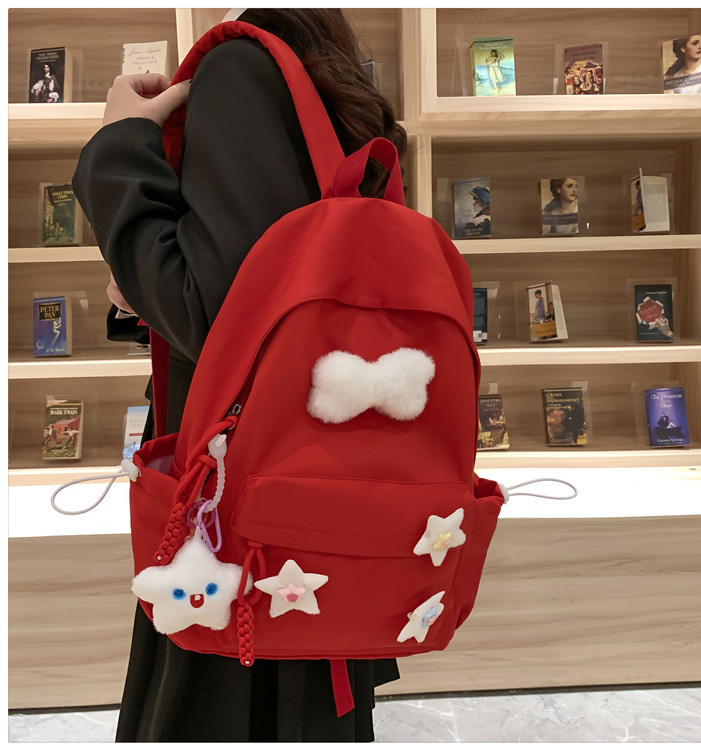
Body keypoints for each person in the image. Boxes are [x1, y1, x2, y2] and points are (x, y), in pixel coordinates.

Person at [72, 8, 405, 743]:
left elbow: (218, 314)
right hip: (312, 477)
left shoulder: (242, 68)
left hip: (235, 498)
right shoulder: (314, 65)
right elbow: (268, 287)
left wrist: (120, 140)